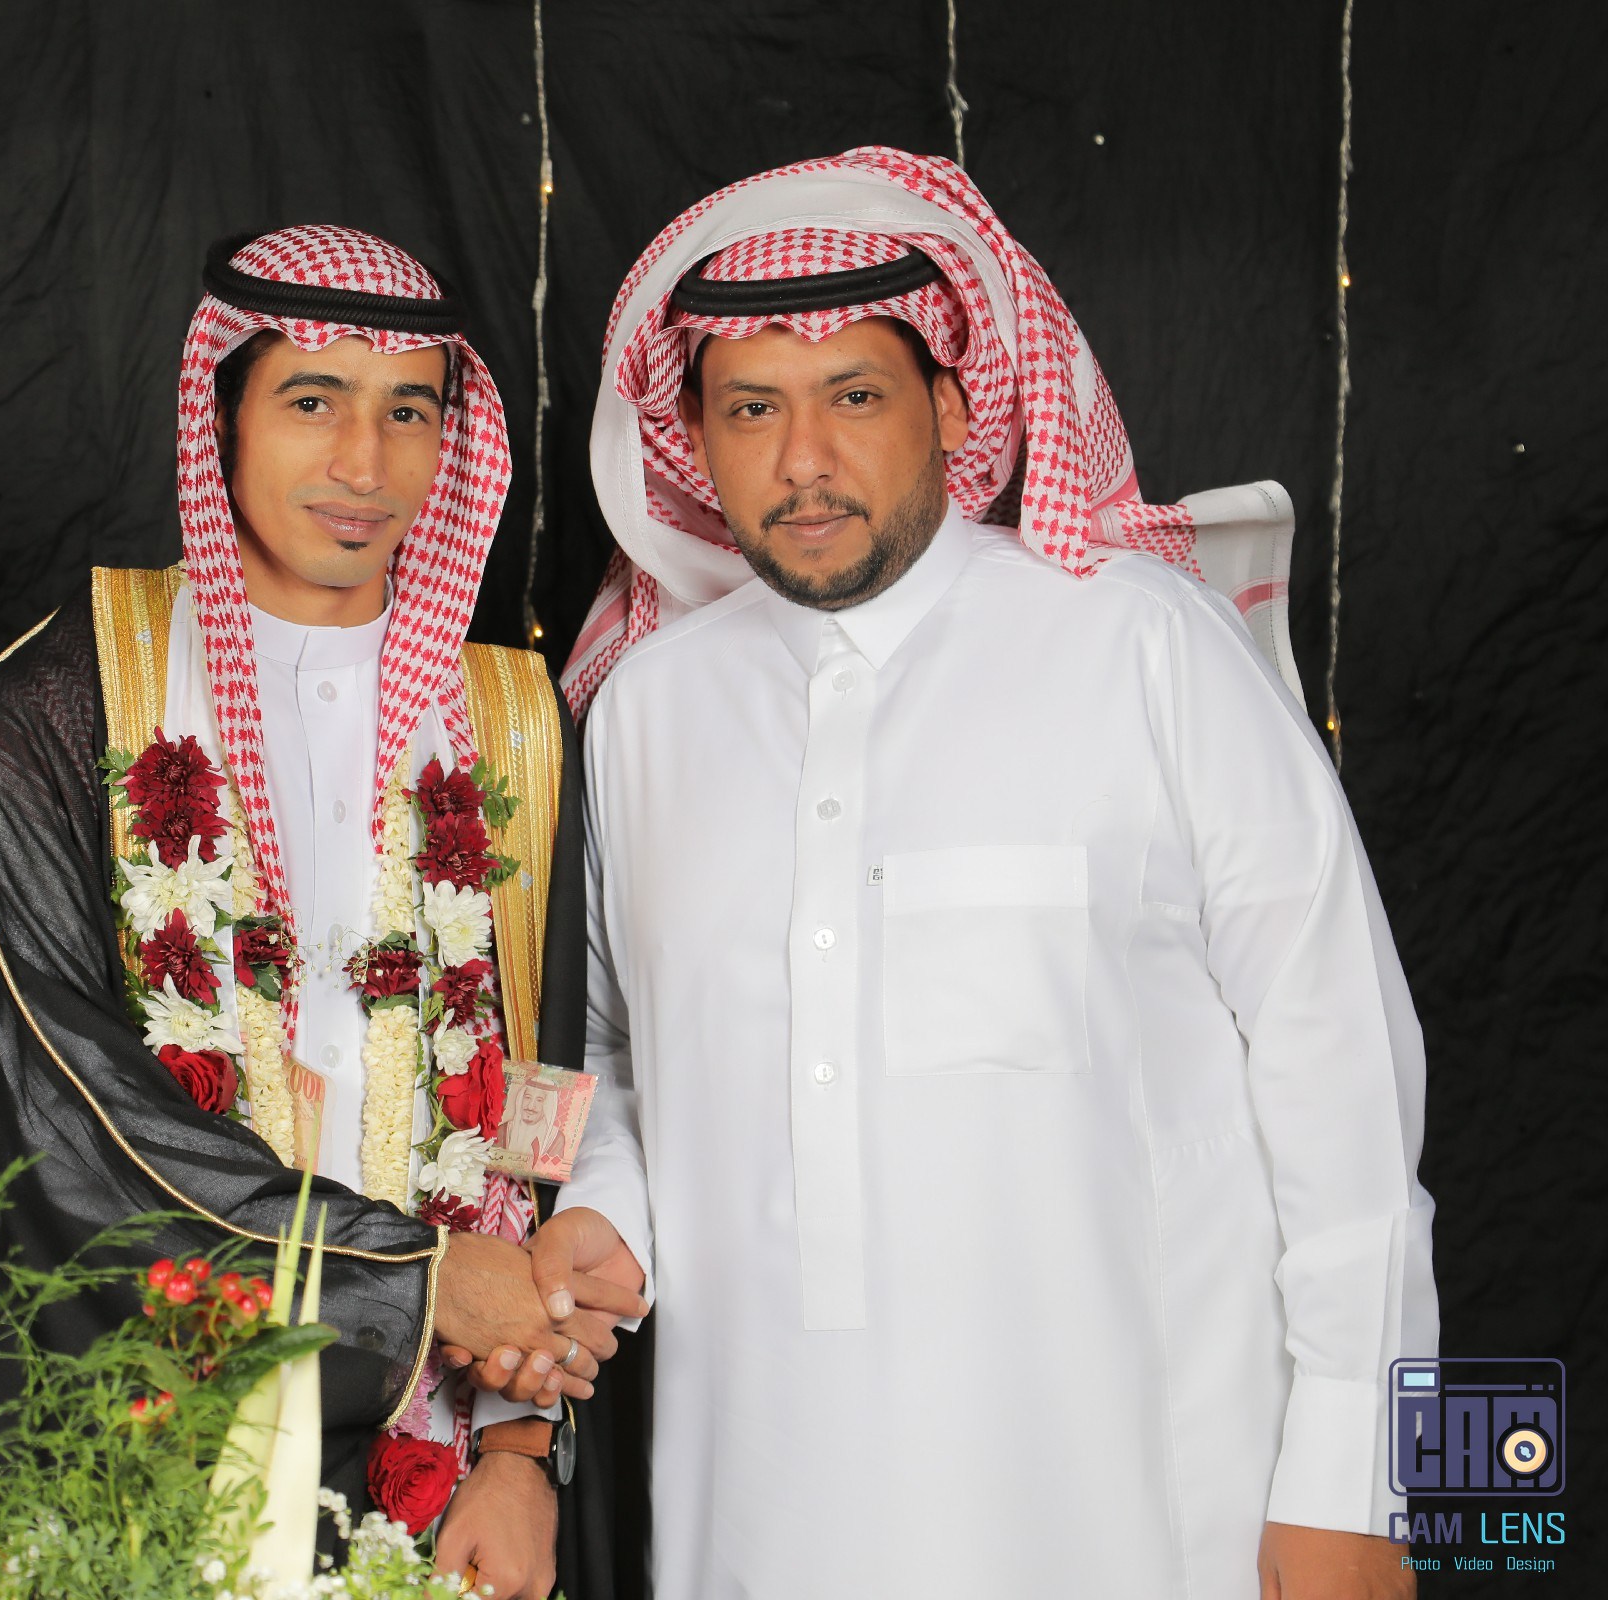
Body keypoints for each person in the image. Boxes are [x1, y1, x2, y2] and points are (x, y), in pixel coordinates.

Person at [532, 148, 1436, 1598]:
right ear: (690, 436)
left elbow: (1344, 1074)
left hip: (1146, 1517)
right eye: (751, 408)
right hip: (758, 1511)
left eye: (855, 397)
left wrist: (1360, 1480)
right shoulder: (646, 709)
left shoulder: (1143, 645)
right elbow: (620, 1055)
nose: (803, 460)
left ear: (955, 409)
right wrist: (607, 1212)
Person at [0, 227, 640, 1600]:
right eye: (313, 401)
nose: (364, 464)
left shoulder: (513, 722)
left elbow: (536, 1102)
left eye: (410, 411)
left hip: (439, 1464)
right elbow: (58, 1106)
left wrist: (522, 1452)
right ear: (220, 416)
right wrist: (408, 1279)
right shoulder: (62, 706)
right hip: (124, 1449)